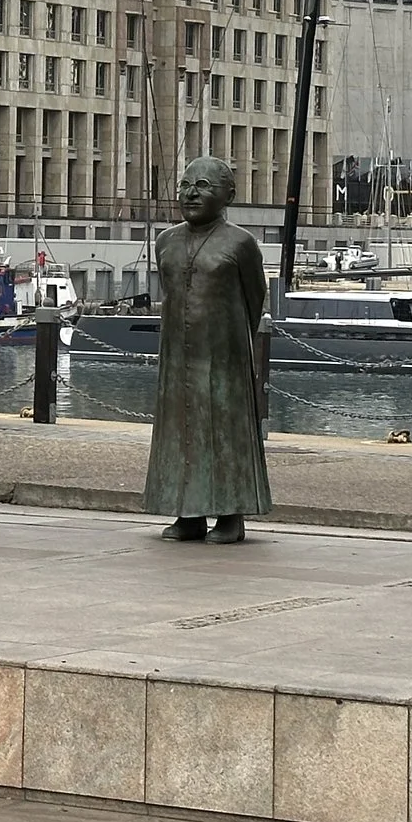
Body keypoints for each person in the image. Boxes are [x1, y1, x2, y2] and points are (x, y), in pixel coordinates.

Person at [143, 156, 272, 543]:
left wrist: (232, 344)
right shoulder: (166, 241)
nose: (190, 193)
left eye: (202, 185)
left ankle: (231, 514)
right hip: (178, 356)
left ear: (228, 195)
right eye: (185, 185)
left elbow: (255, 297)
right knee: (179, 430)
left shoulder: (241, 243)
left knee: (225, 433)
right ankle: (188, 512)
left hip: (224, 356)